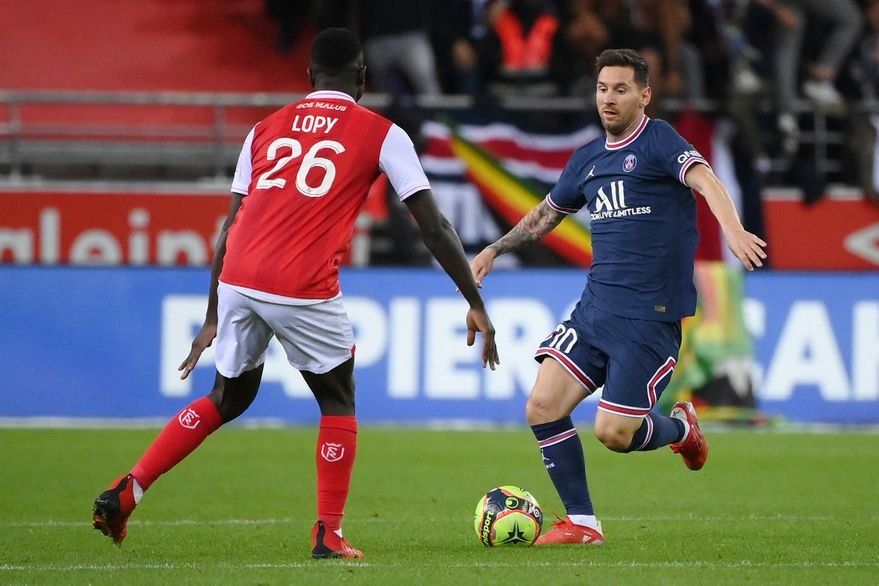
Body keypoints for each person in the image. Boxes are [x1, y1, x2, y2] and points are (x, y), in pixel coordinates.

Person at [91, 28, 499, 559]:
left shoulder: (263, 129)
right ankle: (328, 533)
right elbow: (434, 227)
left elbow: (230, 226)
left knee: (227, 398)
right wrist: (475, 301)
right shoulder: (383, 133)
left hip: (238, 276)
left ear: (309, 77)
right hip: (303, 282)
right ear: (363, 79)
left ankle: (131, 488)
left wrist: (213, 314)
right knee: (337, 399)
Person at [469, 48, 766, 545]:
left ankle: (681, 431)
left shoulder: (658, 140)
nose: (609, 98)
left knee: (614, 434)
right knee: (542, 405)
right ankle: (584, 524)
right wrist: (495, 249)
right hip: (595, 311)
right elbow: (547, 213)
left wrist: (733, 230)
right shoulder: (587, 159)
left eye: (621, 89)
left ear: (644, 95)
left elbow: (706, 179)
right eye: (603, 88)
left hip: (649, 317)